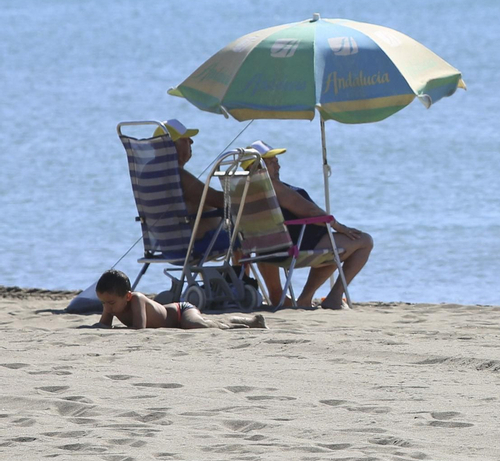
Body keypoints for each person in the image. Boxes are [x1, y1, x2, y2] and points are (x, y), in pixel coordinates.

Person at [241, 141, 374, 310]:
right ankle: (330, 297)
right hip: (296, 246)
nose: (278, 165)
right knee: (364, 241)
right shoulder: (272, 186)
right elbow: (310, 212)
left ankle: (307, 299)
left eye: (276, 161)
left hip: (264, 250)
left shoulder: (244, 188)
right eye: (272, 162)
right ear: (257, 166)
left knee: (336, 244)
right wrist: (339, 226)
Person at [94, 269, 265, 329]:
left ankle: (241, 323)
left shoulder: (137, 299)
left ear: (127, 296)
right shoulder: (113, 305)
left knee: (198, 324)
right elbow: (104, 325)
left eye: (110, 303)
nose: (107, 307)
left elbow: (139, 327)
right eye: (103, 303)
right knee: (202, 322)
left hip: (180, 311)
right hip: (175, 321)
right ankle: (248, 321)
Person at [154, 119, 229, 248]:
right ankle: (239, 268)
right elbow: (219, 200)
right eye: (185, 139)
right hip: (196, 243)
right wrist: (246, 196)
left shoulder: (149, 173)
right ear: (170, 146)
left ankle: (237, 268)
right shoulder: (176, 176)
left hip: (165, 245)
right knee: (250, 233)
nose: (191, 142)